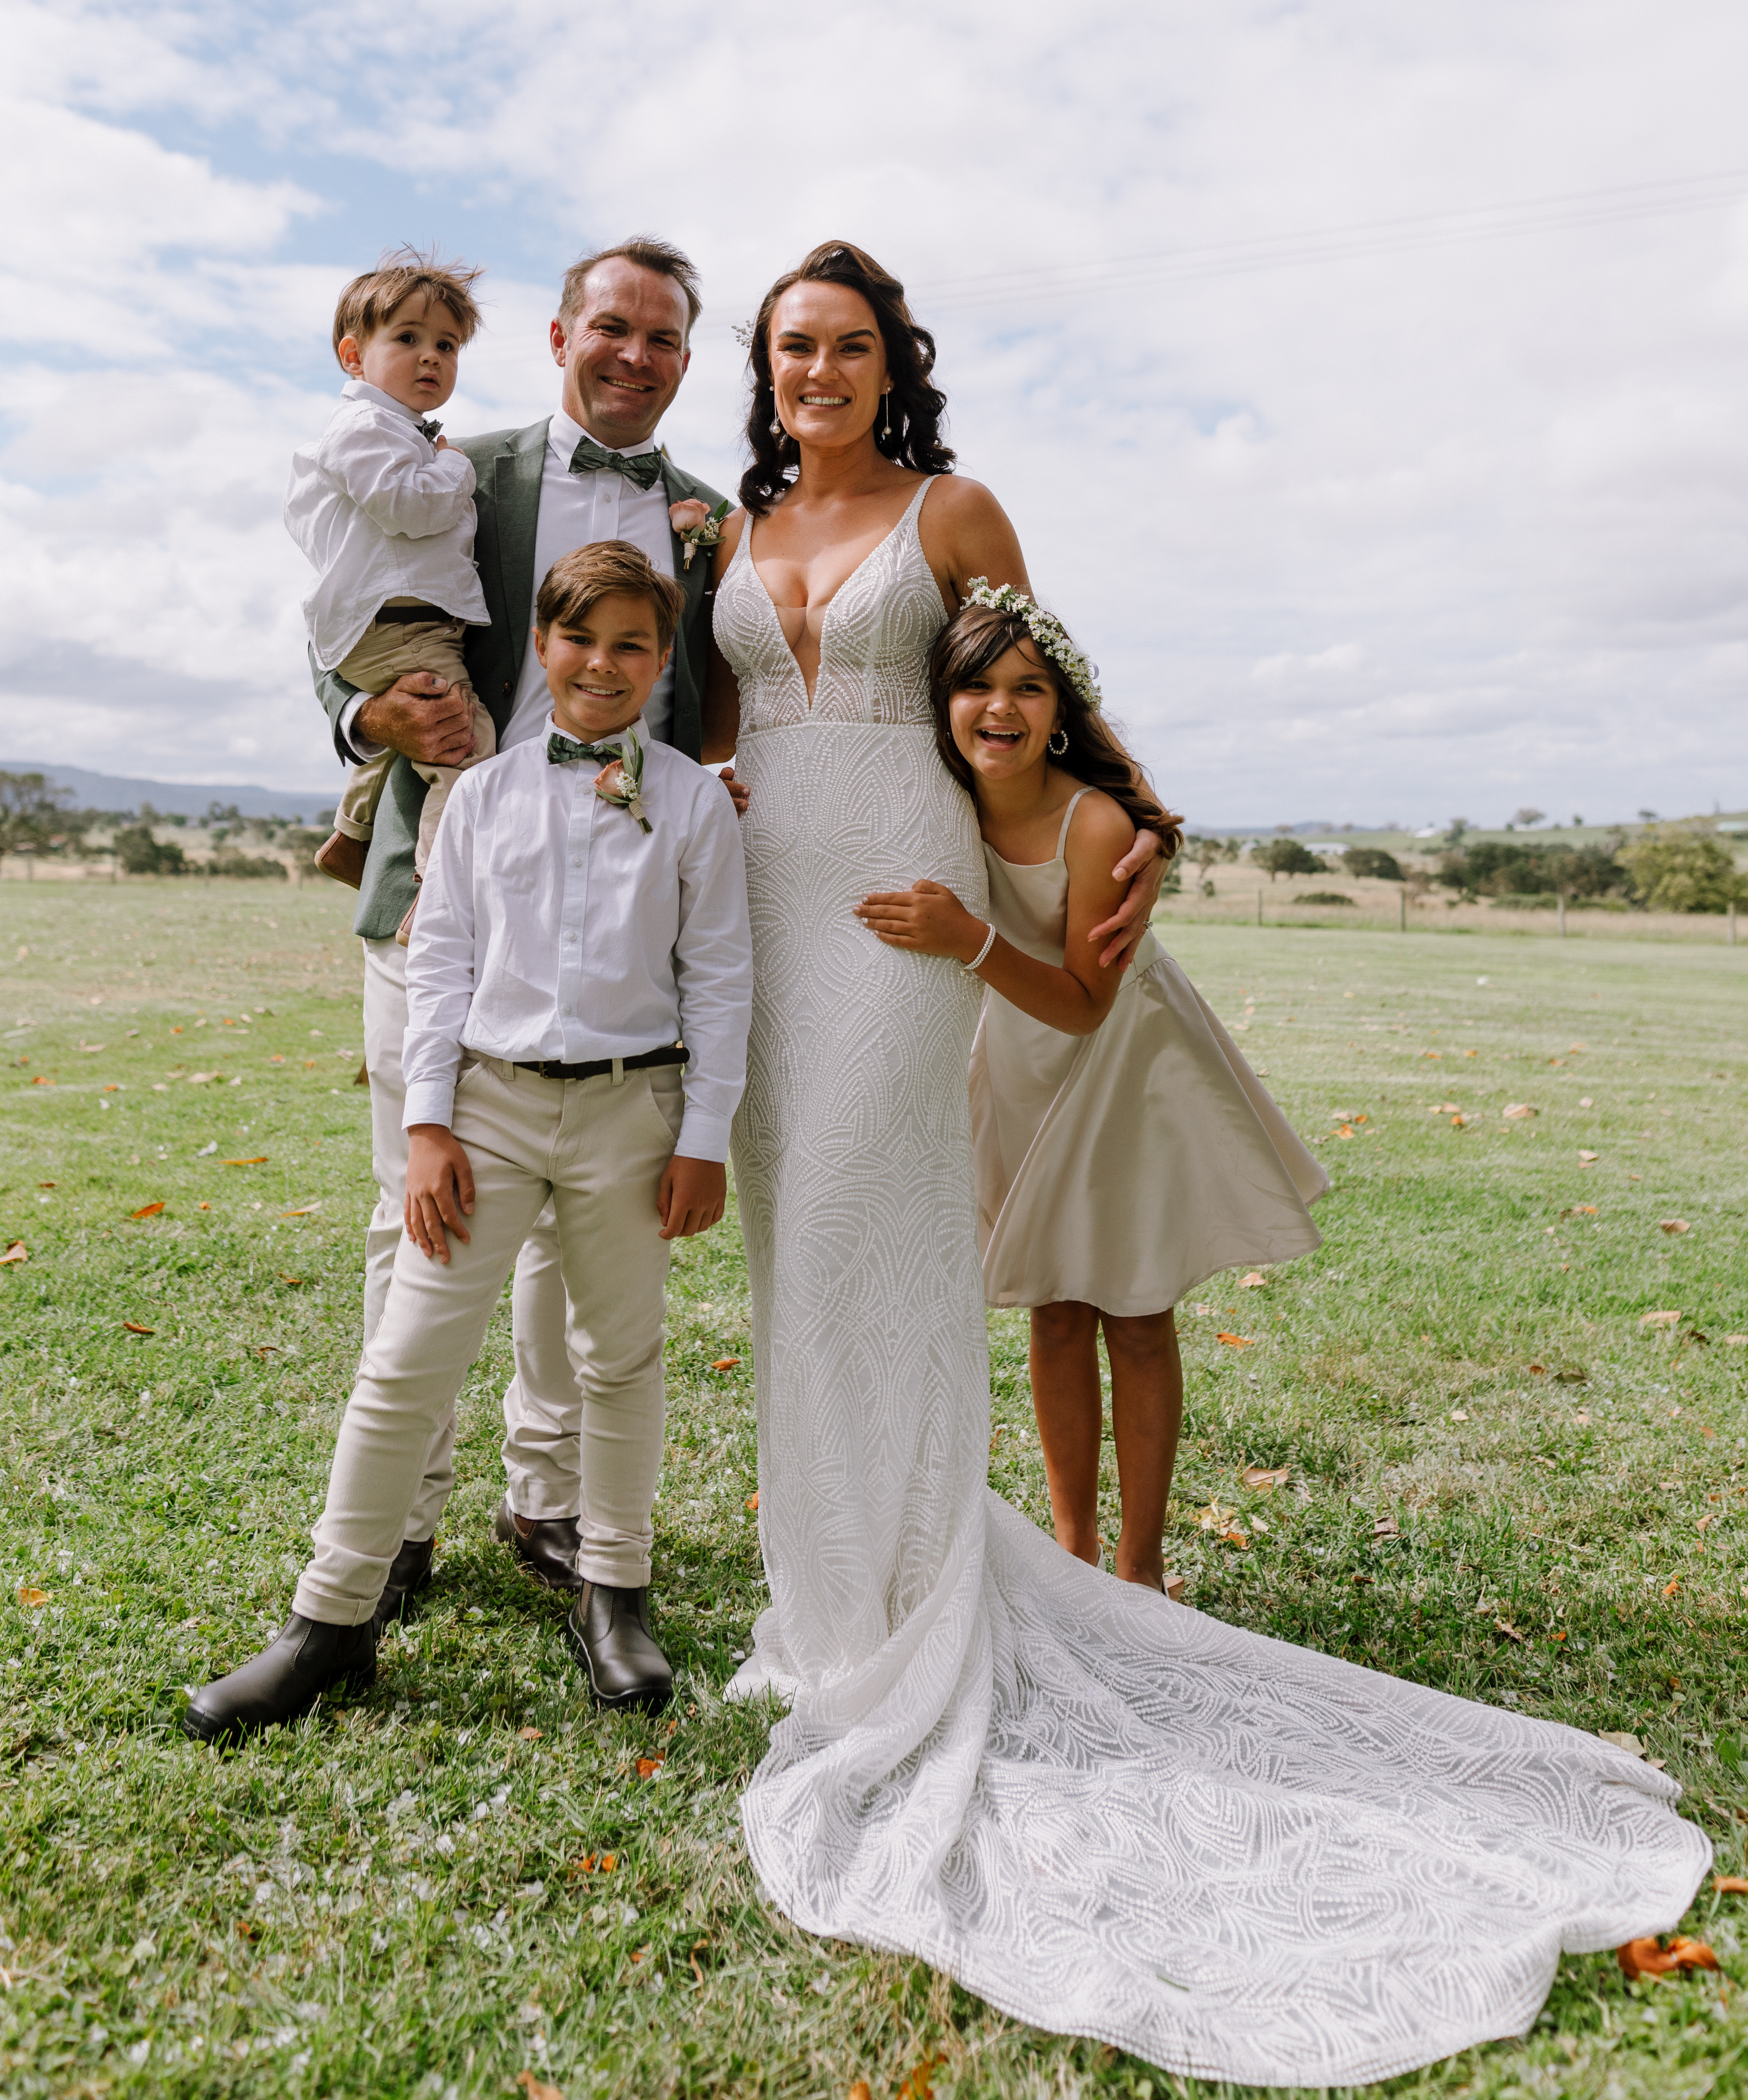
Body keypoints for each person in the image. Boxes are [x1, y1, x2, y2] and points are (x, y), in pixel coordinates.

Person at [702, 239, 1708, 2090]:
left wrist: (1140, 822)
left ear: (889, 362)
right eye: (791, 348)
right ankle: (834, 1600)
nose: (818, 371)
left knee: (872, 1237)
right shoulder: (735, 535)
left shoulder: (956, 505)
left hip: (911, 931)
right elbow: (702, 722)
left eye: (846, 345)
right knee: (792, 1264)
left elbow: (1040, 678)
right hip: (766, 917)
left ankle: (913, 1617)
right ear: (762, 372)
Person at [185, 542, 752, 1738]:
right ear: (542, 647)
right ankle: (328, 1618)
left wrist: (703, 1133)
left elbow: (720, 975)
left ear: (662, 661)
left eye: (633, 644)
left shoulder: (695, 802)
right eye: (580, 638)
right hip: (486, 1109)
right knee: (406, 1357)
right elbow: (438, 961)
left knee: (620, 1361)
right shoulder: (484, 791)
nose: (604, 663)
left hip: (630, 1113)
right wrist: (432, 1122)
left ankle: (614, 1591)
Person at [307, 237, 734, 1628]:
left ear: (682, 360)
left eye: (662, 338)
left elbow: (714, 705)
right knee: (412, 1208)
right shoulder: (450, 472)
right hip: (441, 895)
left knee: (582, 1248)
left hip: (619, 944)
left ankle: (547, 1499)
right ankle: (399, 1523)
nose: (633, 355)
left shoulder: (706, 524)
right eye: (610, 327)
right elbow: (340, 633)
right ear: (559, 338)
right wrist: (369, 717)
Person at [857, 583, 1323, 1594]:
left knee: (1134, 1301)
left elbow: (1081, 1001)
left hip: (1120, 1063)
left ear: (1065, 710)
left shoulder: (1098, 825)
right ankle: (1074, 1551)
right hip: (1019, 1062)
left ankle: (1141, 1562)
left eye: (1031, 688)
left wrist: (968, 937)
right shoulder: (940, 799)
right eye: (977, 685)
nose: (1003, 709)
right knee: (1055, 1304)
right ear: (941, 702)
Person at [286, 250, 497, 932]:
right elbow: (408, 507)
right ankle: (436, 894)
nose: (430, 357)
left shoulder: (397, 432)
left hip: (409, 623)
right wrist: (456, 470)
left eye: (446, 345)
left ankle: (350, 839)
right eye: (407, 338)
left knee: (420, 728)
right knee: (464, 746)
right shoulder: (365, 429)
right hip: (392, 623)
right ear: (354, 355)